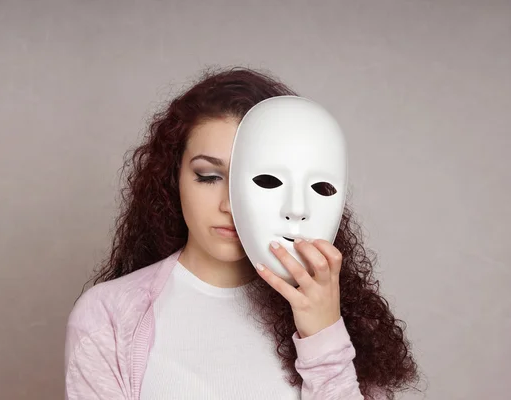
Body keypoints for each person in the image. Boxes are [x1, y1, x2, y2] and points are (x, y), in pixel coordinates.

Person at [64, 67, 419, 400]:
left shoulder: (333, 316)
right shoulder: (109, 316)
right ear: (173, 179)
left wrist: (324, 338)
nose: (230, 204)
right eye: (210, 176)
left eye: (260, 180)